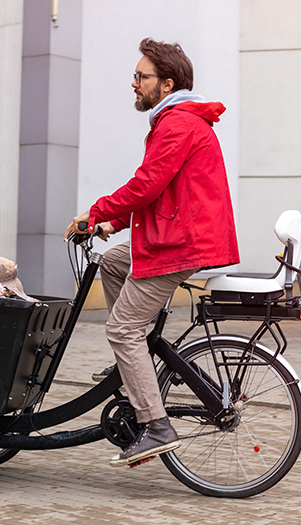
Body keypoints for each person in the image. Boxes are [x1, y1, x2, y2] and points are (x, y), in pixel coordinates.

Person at [65, 38, 239, 467]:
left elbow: (146, 185)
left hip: (179, 245)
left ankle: (155, 425)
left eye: (141, 77)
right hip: (175, 237)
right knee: (112, 260)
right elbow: (158, 194)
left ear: (167, 83)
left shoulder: (178, 123)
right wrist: (111, 224)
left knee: (122, 330)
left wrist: (96, 212)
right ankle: (135, 366)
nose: (134, 83)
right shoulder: (174, 120)